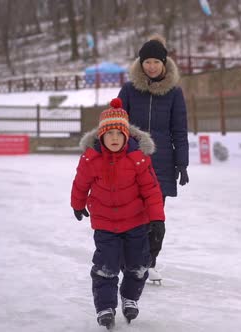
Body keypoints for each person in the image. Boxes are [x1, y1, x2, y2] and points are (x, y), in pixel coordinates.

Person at [70, 98, 164, 329]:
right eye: (109, 133)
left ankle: (130, 297)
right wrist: (77, 203)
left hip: (135, 222)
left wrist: (157, 219)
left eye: (118, 133)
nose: (114, 138)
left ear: (127, 136)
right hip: (105, 224)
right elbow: (81, 183)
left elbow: (151, 190)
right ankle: (105, 306)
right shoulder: (92, 158)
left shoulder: (138, 159)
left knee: (138, 265)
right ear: (101, 136)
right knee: (105, 267)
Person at [117, 34, 189, 283]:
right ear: (140, 63)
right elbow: (116, 124)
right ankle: (131, 261)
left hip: (162, 163)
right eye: (146, 62)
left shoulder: (174, 93)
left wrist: (182, 163)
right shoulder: (128, 89)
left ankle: (149, 263)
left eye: (156, 62)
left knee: (155, 216)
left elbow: (179, 130)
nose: (151, 66)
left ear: (164, 63)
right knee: (131, 214)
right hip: (131, 160)